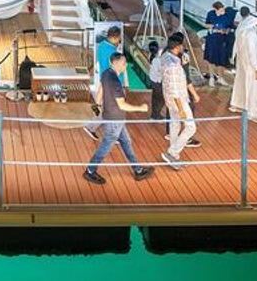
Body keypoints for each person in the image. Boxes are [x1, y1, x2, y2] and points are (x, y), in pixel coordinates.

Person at [84, 52, 154, 184]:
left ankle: (137, 170)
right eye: (123, 63)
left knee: (126, 142)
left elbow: (101, 90)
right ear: (115, 63)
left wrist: (97, 104)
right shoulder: (115, 82)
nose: (126, 65)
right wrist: (141, 108)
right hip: (114, 119)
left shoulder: (106, 73)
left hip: (114, 118)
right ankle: (90, 171)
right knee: (105, 146)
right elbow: (122, 105)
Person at [159, 34, 196, 171]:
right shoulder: (173, 64)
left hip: (168, 98)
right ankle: (172, 152)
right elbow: (175, 88)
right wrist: (181, 107)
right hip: (178, 99)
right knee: (191, 127)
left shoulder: (165, 57)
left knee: (174, 124)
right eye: (181, 45)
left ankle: (173, 155)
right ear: (177, 47)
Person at [87, 25, 126, 141]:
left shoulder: (102, 46)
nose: (120, 40)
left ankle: (92, 127)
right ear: (115, 37)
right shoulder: (112, 53)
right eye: (119, 38)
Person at [203, 1, 235, 68]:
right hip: (212, 39)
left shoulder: (226, 16)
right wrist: (213, 26)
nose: (222, 11)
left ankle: (220, 76)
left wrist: (225, 31)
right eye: (220, 10)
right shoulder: (210, 14)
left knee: (221, 59)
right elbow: (206, 24)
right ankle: (211, 75)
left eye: (223, 9)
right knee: (210, 58)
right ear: (215, 9)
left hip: (222, 39)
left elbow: (230, 27)